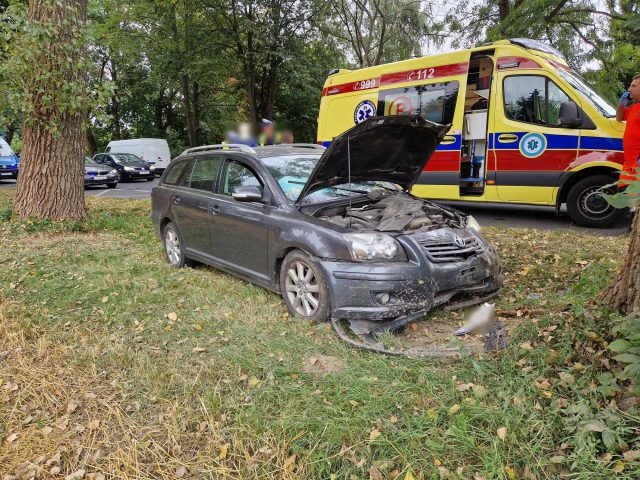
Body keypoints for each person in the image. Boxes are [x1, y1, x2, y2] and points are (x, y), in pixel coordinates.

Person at [616, 74, 640, 182]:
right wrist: (622, 104)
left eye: (633, 86)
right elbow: (619, 118)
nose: (629, 89)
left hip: (637, 171)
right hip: (629, 168)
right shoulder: (635, 107)